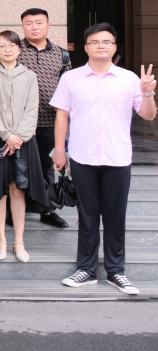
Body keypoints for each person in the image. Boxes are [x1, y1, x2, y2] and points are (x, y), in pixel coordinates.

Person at [53, 23, 157, 295]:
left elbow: (148, 115)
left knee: (115, 215)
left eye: (106, 42)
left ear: (114, 47)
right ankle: (86, 270)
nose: (101, 46)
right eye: (95, 42)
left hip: (117, 156)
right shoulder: (71, 78)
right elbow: (62, 115)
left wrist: (147, 92)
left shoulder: (129, 79)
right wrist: (59, 151)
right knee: (87, 214)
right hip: (82, 155)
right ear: (86, 47)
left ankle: (116, 271)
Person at [0, 31, 48, 263]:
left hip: (24, 140)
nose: (7, 50)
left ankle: (19, 241)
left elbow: (32, 108)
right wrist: (6, 135)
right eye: (2, 46)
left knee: (18, 189)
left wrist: (18, 136)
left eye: (11, 46)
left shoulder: (29, 76)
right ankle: (1, 240)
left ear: (19, 49)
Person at [19, 7, 72, 229]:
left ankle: (48, 209)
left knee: (47, 167)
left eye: (39, 23)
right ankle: (16, 209)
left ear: (48, 25)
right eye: (29, 23)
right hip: (21, 123)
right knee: (19, 167)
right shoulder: (15, 50)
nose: (34, 27)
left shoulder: (62, 54)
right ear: (23, 27)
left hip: (51, 122)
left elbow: (68, 88)